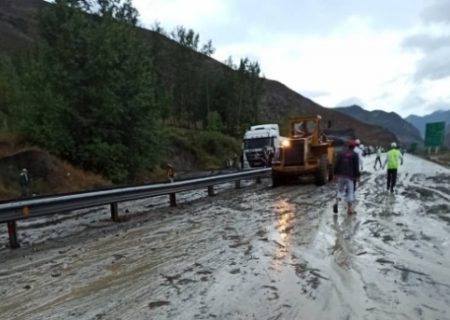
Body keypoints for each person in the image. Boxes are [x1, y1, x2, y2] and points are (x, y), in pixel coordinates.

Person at [333, 140, 360, 215]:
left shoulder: (341, 154)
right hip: (350, 177)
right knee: (350, 192)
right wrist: (357, 176)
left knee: (339, 190)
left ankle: (337, 202)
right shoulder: (355, 155)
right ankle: (349, 209)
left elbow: (337, 163)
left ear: (348, 146)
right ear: (354, 146)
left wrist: (335, 174)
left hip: (341, 175)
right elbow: (356, 166)